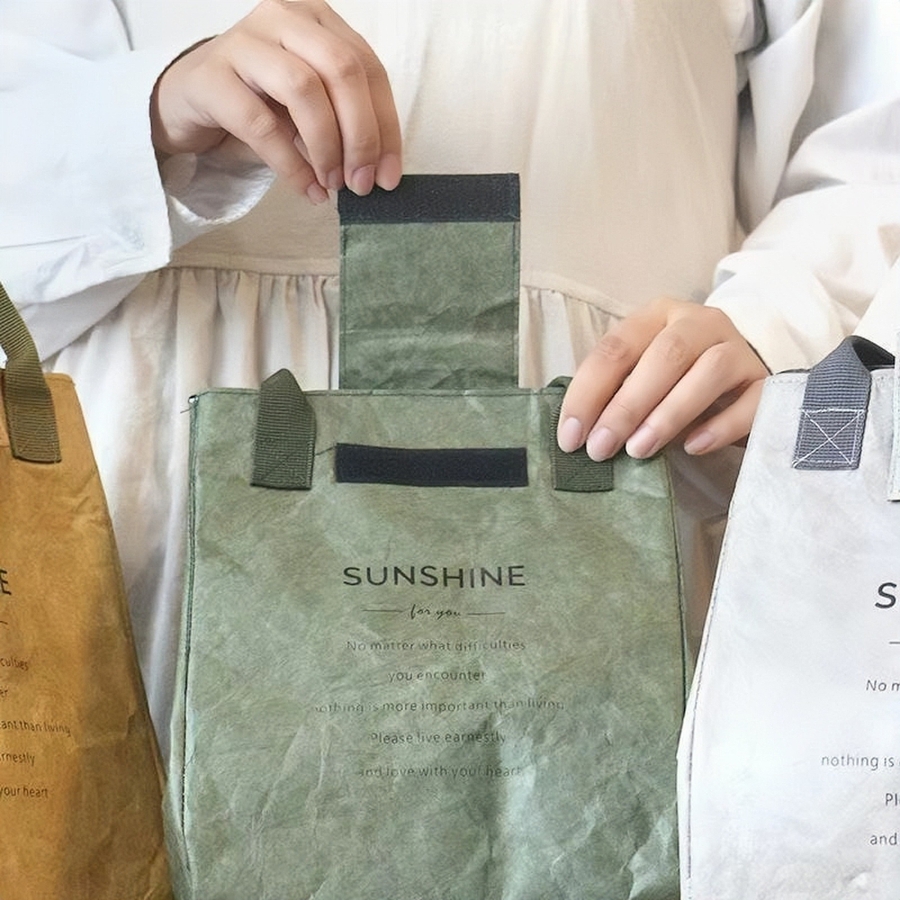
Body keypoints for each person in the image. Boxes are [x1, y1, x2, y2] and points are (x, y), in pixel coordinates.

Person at [1, 0, 898, 759]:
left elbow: (871, 138)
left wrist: (779, 325)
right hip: (151, 486)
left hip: (611, 451)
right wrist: (147, 111)